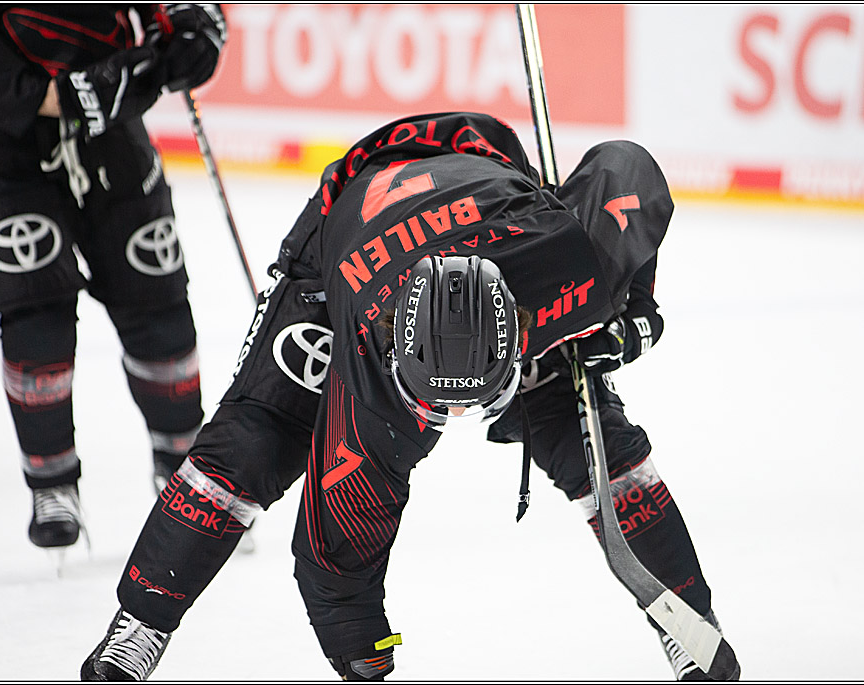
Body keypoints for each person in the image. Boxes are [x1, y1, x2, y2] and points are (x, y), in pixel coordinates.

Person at [79, 111, 741, 681]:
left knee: (589, 435)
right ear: (394, 357)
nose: (449, 418)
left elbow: (628, 171)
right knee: (261, 432)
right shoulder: (365, 358)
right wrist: (370, 657)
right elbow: (336, 551)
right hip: (341, 233)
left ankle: (687, 621)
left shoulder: (567, 263)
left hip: (487, 175)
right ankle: (139, 625)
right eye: (435, 404)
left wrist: (629, 316)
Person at [0, 4, 227, 552]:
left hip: (113, 130)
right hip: (3, 148)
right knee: (38, 316)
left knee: (158, 305)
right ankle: (52, 483)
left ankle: (187, 471)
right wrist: (56, 96)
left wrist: (196, 23)